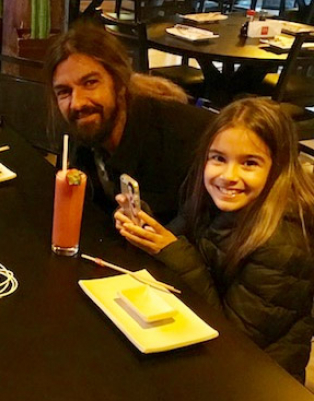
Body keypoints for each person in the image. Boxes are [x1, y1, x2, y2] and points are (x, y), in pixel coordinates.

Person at [114, 98, 314, 382]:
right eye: (218, 158)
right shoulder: (210, 200)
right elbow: (174, 241)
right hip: (212, 350)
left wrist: (174, 252)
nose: (228, 176)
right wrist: (145, 228)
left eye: (249, 163)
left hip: (258, 377)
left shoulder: (285, 244)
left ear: (279, 169)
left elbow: (234, 337)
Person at [46, 22, 215, 223]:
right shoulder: (79, 132)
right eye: (64, 92)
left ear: (119, 83)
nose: (77, 103)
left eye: (90, 83)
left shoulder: (183, 139)